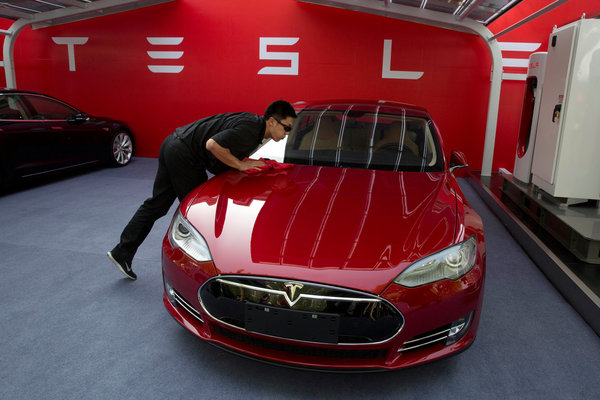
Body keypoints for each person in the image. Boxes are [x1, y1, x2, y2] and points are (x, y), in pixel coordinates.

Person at [107, 100, 297, 280]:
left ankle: (122, 253)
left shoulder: (252, 123)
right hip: (183, 154)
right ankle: (201, 273)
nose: (287, 134)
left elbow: (216, 159)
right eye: (286, 128)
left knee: (158, 205)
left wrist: (240, 163)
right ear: (272, 121)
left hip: (172, 144)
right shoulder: (251, 130)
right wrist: (240, 165)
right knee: (199, 212)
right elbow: (212, 145)